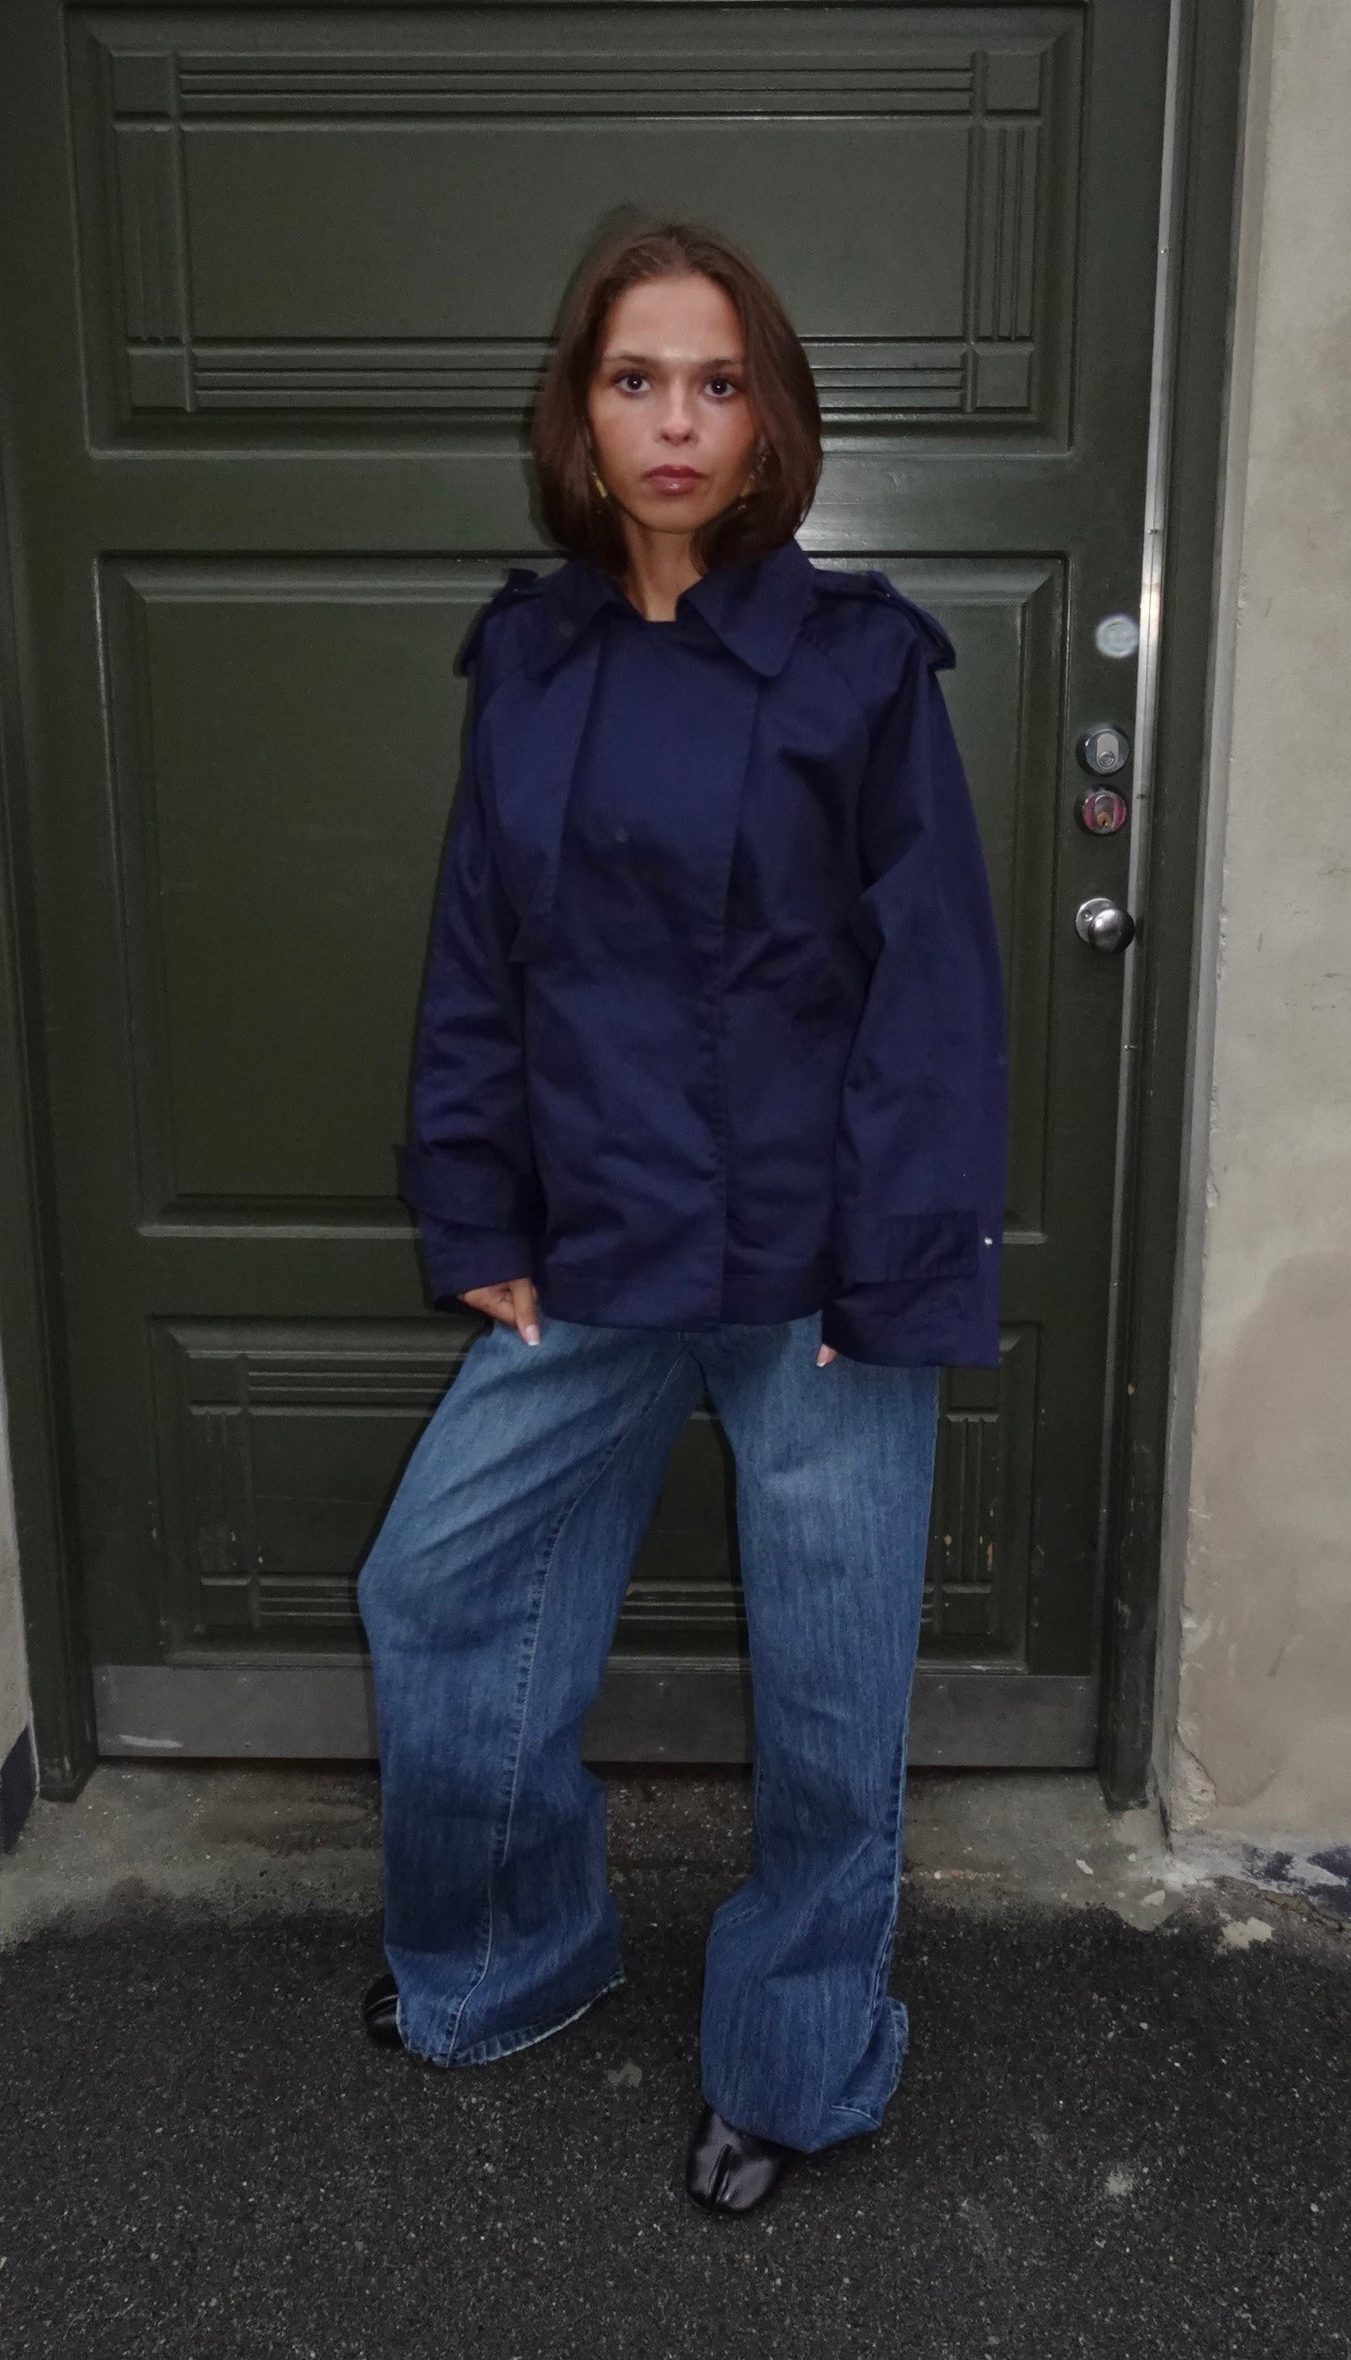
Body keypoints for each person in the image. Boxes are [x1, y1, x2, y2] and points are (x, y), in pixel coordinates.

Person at [356, 215, 1009, 2217]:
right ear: (579, 411)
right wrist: (477, 1205)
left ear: (767, 418)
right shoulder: (529, 660)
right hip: (597, 1256)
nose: (674, 421)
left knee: (827, 1703)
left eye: (716, 383)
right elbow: (479, 957)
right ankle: (507, 1957)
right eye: (636, 379)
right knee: (438, 1587)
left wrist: (892, 1275)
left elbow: (934, 990)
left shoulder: (860, 666)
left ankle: (797, 2063)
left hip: (817, 1277)